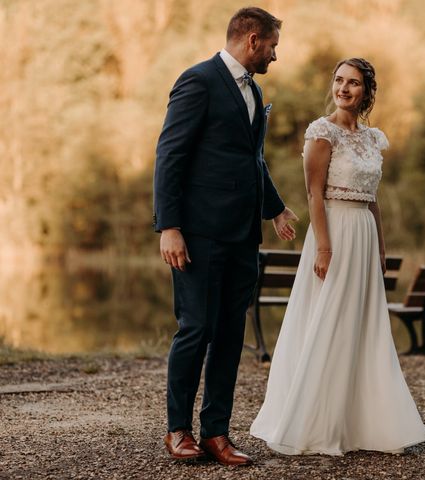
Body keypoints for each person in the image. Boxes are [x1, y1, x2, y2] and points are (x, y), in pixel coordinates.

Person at [250, 58, 425, 455]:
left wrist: (381, 247)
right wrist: (325, 248)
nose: (344, 88)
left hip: (364, 233)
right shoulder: (321, 132)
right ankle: (315, 420)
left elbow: (373, 199)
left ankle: (364, 422)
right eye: (338, 81)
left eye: (353, 83)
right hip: (334, 230)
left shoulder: (372, 138)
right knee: (328, 318)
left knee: (361, 324)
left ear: (366, 92)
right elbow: (314, 193)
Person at [153, 7, 298, 466]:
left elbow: (250, 160)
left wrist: (274, 208)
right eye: (272, 46)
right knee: (195, 328)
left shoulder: (253, 90)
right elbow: (169, 155)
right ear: (253, 39)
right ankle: (178, 430)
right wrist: (169, 226)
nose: (275, 55)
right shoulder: (198, 81)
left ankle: (216, 432)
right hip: (197, 234)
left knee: (231, 335)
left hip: (241, 237)